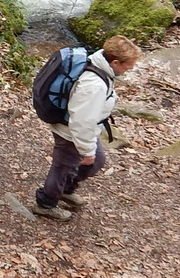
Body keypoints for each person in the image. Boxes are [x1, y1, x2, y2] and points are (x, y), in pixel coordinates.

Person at [33, 34, 140, 221]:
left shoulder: (100, 65)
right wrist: (87, 150)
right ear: (115, 62)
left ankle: (65, 189)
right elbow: (82, 122)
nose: (130, 68)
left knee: (97, 161)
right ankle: (46, 204)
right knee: (63, 167)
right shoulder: (94, 85)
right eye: (128, 65)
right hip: (70, 132)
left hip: (79, 130)